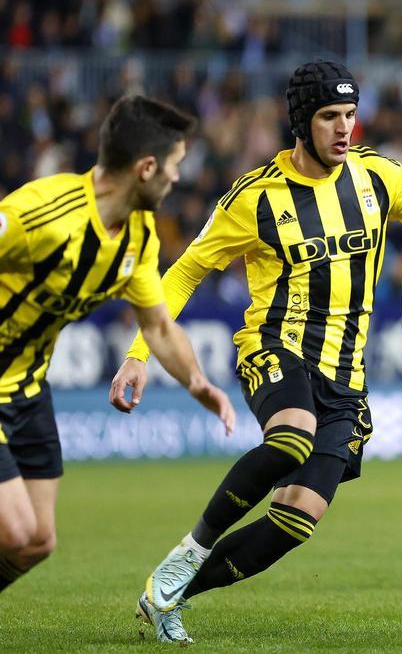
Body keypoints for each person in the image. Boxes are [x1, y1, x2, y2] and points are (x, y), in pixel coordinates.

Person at [110, 61, 402, 644]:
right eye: (329, 117)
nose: (344, 129)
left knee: (294, 522)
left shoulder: (380, 178)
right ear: (301, 123)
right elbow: (184, 274)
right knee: (290, 436)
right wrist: (138, 353)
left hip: (345, 377)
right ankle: (191, 549)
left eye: (350, 116)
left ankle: (170, 592)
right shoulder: (254, 198)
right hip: (274, 347)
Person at [0, 95, 235, 595]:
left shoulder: (139, 235)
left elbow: (159, 327)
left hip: (26, 388)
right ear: (146, 167)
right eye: (174, 167)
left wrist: (196, 382)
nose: (177, 179)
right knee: (13, 528)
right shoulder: (40, 215)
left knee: (37, 541)